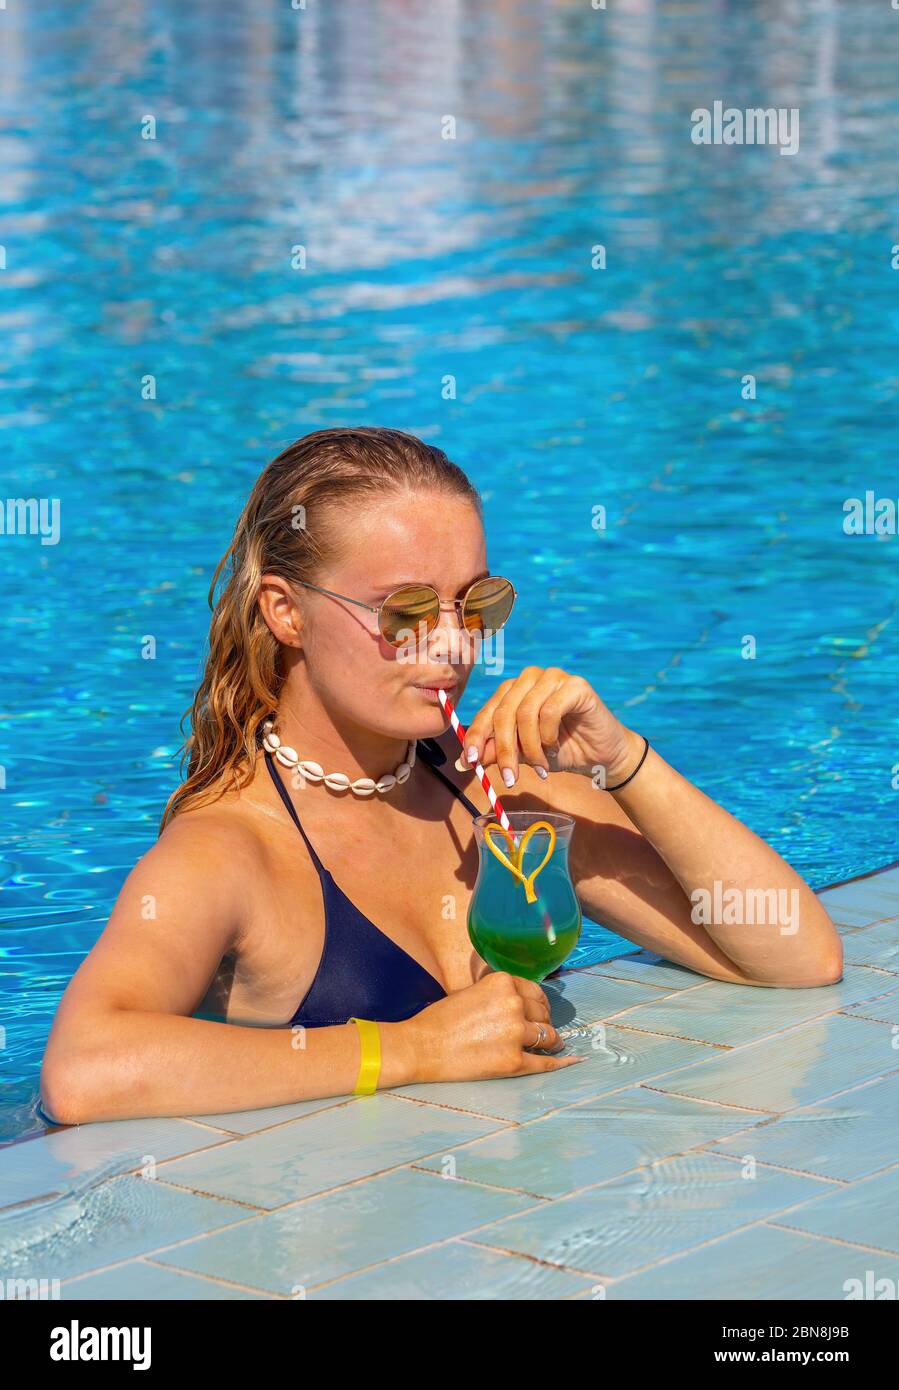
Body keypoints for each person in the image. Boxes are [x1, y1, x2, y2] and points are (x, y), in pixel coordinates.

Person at [39, 427, 842, 1125]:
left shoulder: (496, 791)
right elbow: (86, 1070)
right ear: (286, 612)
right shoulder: (232, 850)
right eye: (405, 612)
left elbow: (796, 957)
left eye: (476, 604)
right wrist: (410, 1051)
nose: (457, 647)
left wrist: (622, 760)